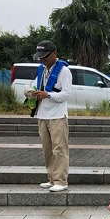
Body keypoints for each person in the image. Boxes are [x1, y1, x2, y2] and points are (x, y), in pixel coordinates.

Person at [26, 40, 72, 192]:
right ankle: (52, 179)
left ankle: (61, 181)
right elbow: (33, 85)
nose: (42, 60)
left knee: (59, 149)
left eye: (45, 57)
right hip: (42, 115)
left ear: (54, 54)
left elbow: (66, 94)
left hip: (58, 115)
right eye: (40, 57)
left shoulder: (64, 71)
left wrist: (48, 95)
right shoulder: (42, 70)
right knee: (47, 149)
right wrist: (29, 92)